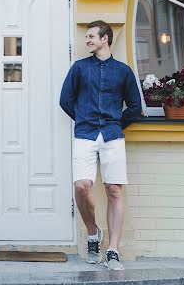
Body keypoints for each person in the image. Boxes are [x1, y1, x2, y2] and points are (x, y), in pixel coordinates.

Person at [60, 20, 142, 271]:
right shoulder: (79, 68)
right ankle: (93, 233)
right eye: (86, 37)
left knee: (114, 191)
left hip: (112, 137)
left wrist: (116, 124)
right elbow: (65, 100)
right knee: (81, 186)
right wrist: (85, 118)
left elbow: (135, 106)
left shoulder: (123, 71)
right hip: (85, 134)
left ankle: (113, 251)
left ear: (105, 39)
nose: (87, 41)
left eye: (91, 37)